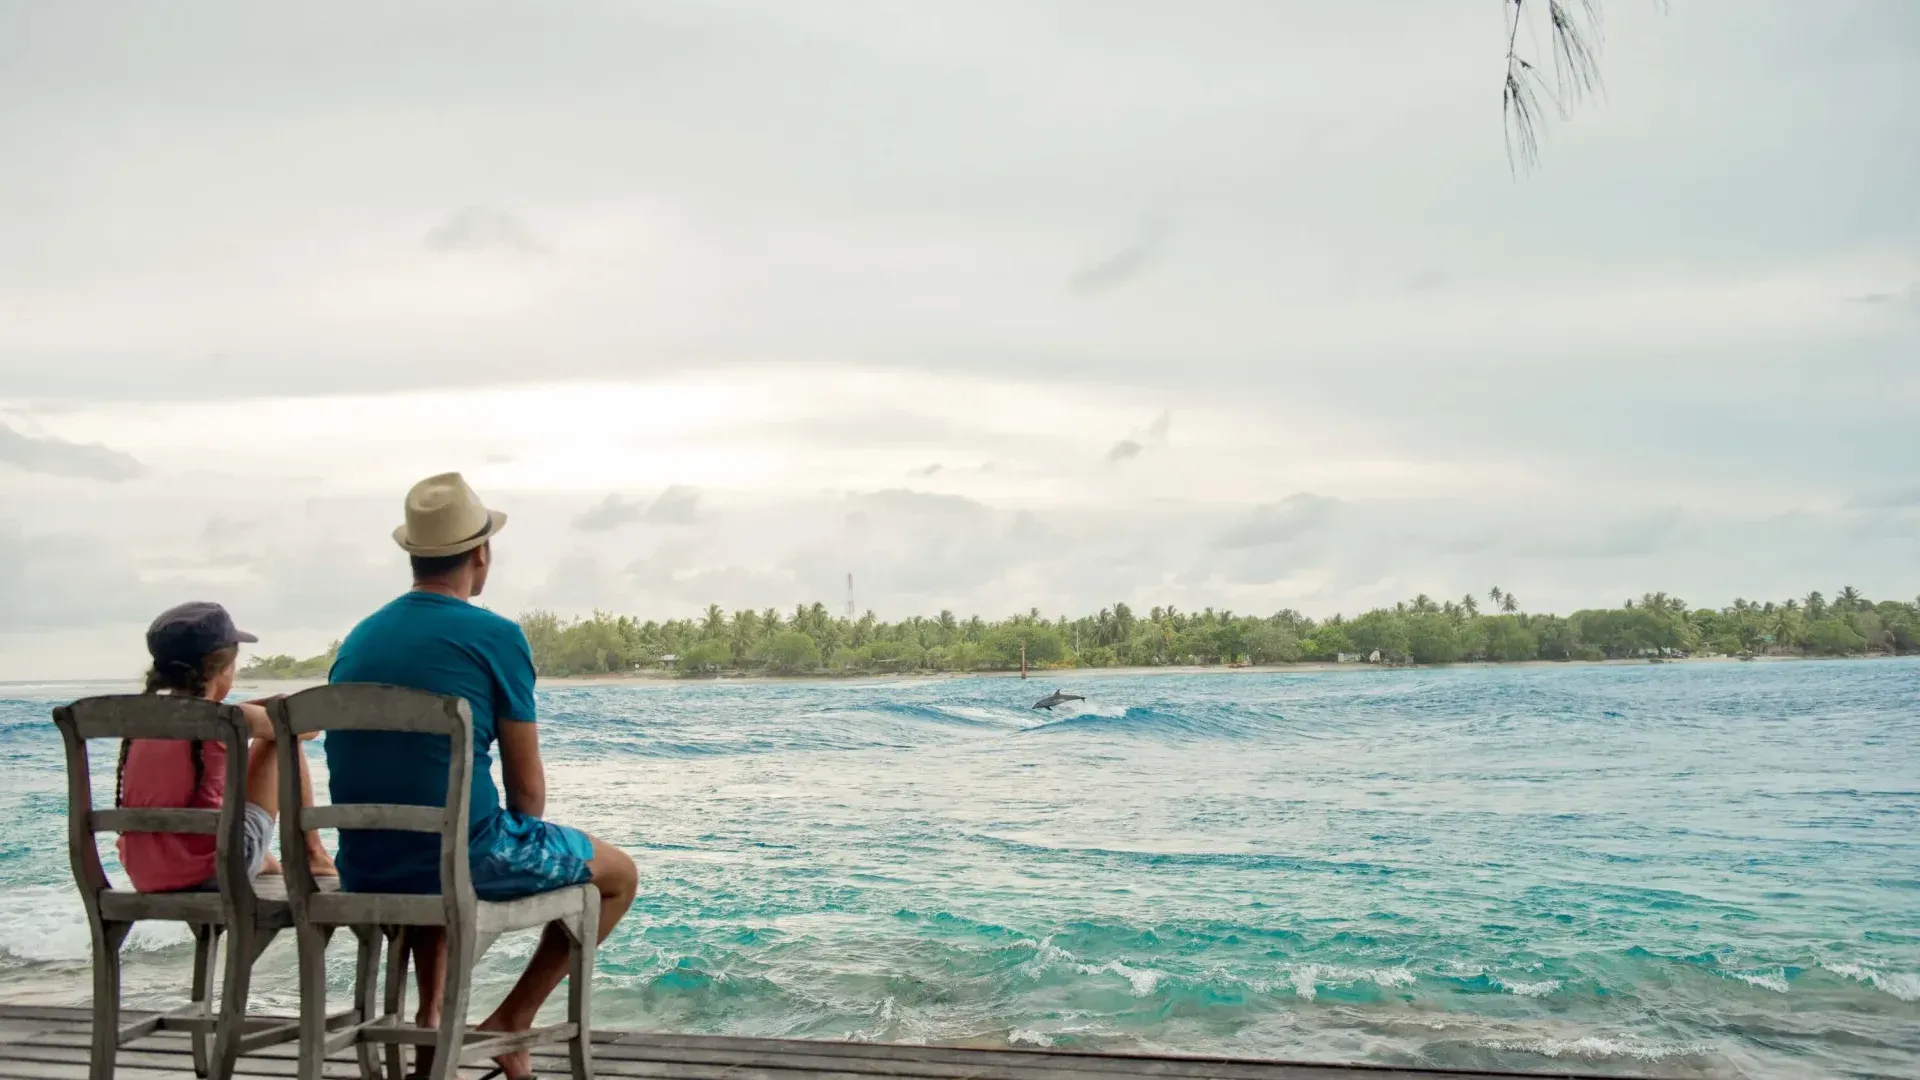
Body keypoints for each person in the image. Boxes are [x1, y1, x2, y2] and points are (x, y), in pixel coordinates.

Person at [327, 472, 638, 1080]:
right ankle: (511, 1023)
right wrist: (524, 854)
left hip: (365, 862)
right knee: (619, 875)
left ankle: (432, 1024)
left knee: (438, 846)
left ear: (414, 556)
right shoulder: (495, 636)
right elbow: (528, 792)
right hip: (457, 860)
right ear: (481, 554)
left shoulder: (360, 638)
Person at [116, 602, 337, 891]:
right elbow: (303, 729)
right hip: (213, 870)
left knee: (226, 814)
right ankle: (313, 855)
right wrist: (269, 712)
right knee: (279, 736)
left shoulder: (142, 721)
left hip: (145, 874)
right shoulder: (234, 720)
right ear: (224, 669)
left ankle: (265, 862)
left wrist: (246, 712)